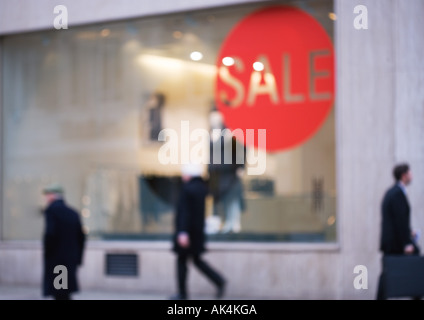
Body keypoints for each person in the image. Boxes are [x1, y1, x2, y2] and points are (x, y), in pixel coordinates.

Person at [171, 163, 226, 300]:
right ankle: (218, 281)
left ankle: (182, 294)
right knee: (196, 260)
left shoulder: (188, 189)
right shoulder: (202, 189)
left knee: (183, 262)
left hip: (187, 234)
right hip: (197, 233)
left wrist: (183, 232)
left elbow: (185, 213)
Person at [376, 163, 421, 300]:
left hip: (392, 242)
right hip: (395, 243)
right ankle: (416, 294)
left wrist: (409, 233)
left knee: (387, 272)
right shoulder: (397, 194)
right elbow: (399, 220)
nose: (411, 176)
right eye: (410, 173)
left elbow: (397, 220)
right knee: (414, 264)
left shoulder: (393, 192)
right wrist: (406, 243)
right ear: (404, 175)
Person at [42, 183, 86, 300]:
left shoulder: (52, 211)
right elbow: (81, 237)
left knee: (59, 293)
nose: (46, 198)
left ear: (53, 196)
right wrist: (78, 258)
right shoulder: (73, 213)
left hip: (57, 260)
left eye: (47, 195)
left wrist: (47, 254)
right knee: (64, 292)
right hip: (70, 259)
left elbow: (50, 234)